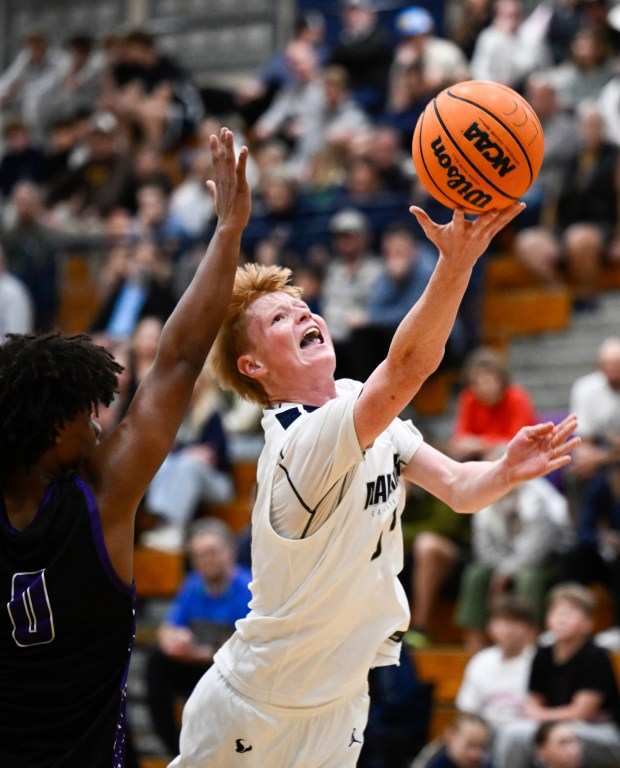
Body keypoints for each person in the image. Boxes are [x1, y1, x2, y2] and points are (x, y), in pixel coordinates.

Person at [169, 198, 579, 767]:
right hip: (258, 703)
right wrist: (455, 264)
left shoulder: (351, 399)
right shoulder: (297, 445)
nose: (305, 317)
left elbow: (460, 486)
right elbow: (409, 366)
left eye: (303, 306)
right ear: (253, 367)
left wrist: (505, 471)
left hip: (340, 698)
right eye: (279, 320)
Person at [0, 127, 250, 767]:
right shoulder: (101, 497)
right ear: (53, 431)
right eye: (88, 413)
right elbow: (179, 359)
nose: (101, 422)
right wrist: (227, 232)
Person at [145, 518, 252, 756]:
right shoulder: (193, 585)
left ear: (230, 551)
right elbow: (167, 628)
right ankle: (174, 750)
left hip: (234, 676)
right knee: (156, 660)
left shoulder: (248, 588)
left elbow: (242, 649)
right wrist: (172, 639)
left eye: (212, 552)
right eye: (199, 555)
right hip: (199, 664)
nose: (206, 560)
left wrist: (198, 653)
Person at [492, 583, 620, 768]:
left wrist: (541, 715)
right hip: (554, 725)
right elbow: (534, 701)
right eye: (556, 612)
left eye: (570, 613)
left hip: (600, 733)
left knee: (559, 739)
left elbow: (580, 713)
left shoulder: (595, 656)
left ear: (588, 623)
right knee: (512, 733)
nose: (561, 618)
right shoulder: (542, 654)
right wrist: (539, 715)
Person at [454, 475, 572, 649]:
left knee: (528, 578)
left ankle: (530, 640)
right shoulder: (483, 500)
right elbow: (483, 549)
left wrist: (505, 572)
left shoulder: (538, 498)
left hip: (546, 562)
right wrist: (501, 570)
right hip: (501, 562)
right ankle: (474, 642)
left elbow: (536, 549)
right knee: (476, 574)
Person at [141, 366, 235, 552]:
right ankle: (162, 522)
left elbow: (211, 454)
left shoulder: (212, 412)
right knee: (166, 462)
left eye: (196, 380)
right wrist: (187, 451)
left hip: (218, 483)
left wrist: (183, 452)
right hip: (184, 473)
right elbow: (166, 448)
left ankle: (175, 528)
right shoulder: (174, 413)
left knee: (187, 464)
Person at [455, 596, 538, 727]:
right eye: (500, 622)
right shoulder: (480, 661)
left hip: (522, 730)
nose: (507, 630)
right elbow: (467, 708)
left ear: (528, 627)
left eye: (514, 622)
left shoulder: (538, 661)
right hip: (482, 731)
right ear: (490, 626)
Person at [449, 347, 538, 463]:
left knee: (500, 453)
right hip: (480, 459)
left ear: (501, 380)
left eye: (488, 381)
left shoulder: (517, 397)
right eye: (477, 383)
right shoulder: (469, 398)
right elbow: (460, 439)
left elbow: (517, 441)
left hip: (521, 460)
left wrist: (481, 443)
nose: (483, 388)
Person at [411, 712, 496, 768]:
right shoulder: (433, 760)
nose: (475, 754)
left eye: (482, 747)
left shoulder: (482, 763)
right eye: (470, 745)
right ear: (450, 737)